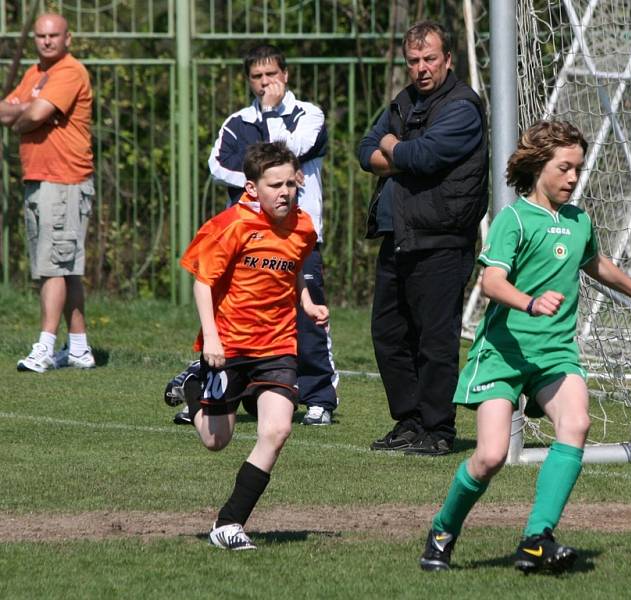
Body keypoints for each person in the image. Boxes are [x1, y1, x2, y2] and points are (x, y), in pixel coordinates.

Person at [418, 121, 631, 572]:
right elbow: (492, 282)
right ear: (539, 166)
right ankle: (443, 529)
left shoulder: (579, 220)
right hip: (503, 352)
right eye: (564, 168)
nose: (573, 178)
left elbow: (595, 262)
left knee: (576, 423)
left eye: (578, 168)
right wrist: (531, 302)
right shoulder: (514, 219)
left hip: (556, 351)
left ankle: (537, 538)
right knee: (490, 457)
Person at [179, 141, 327, 550]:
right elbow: (203, 281)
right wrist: (210, 336)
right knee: (215, 441)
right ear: (251, 188)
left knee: (277, 430)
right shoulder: (234, 225)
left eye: (291, 184)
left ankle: (229, 524)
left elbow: (292, 273)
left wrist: (308, 303)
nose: (285, 192)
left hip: (279, 344)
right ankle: (193, 385)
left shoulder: (303, 227)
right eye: (274, 185)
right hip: (229, 345)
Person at [357, 21, 488, 456]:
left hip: (442, 239)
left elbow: (426, 155)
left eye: (429, 59)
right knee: (389, 335)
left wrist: (394, 148)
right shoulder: (403, 102)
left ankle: (439, 429)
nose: (421, 68)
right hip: (399, 235)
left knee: (435, 339)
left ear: (447, 60)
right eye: (413, 61)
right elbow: (365, 150)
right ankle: (409, 422)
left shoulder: (462, 107)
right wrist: (401, 152)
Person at [192, 42, 337, 426]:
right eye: (256, 77)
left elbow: (291, 148)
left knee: (308, 318)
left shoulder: (308, 114)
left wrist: (272, 119)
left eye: (271, 75)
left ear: (285, 75)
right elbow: (218, 164)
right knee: (232, 312)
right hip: (246, 240)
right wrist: (256, 180)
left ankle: (320, 396)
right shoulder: (237, 122)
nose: (264, 83)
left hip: (297, 237)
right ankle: (214, 383)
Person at [0, 12, 95, 373]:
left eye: (54, 35)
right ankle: (79, 349)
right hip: (40, 178)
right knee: (65, 267)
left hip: (64, 180)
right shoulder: (34, 74)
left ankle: (44, 345)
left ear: (68, 38)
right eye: (40, 36)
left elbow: (31, 115)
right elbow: (9, 111)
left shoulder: (70, 71)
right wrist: (28, 113)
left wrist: (25, 116)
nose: (46, 41)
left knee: (52, 267)